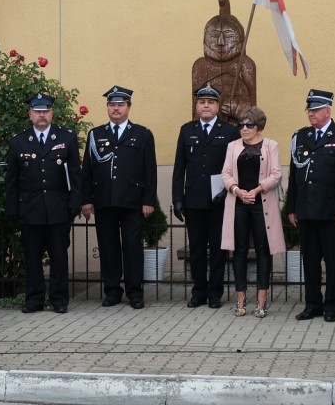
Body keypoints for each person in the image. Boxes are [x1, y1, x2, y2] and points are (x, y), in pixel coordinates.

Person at [286, 89, 335, 322]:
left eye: (316, 110)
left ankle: (332, 305)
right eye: (309, 110)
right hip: (306, 209)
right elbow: (294, 175)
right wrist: (291, 207)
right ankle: (313, 304)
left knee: (334, 260)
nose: (311, 114)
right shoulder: (300, 136)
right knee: (310, 260)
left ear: (327, 111)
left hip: (331, 210)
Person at [81, 86, 157, 309]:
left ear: (128, 107)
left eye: (120, 104)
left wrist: (149, 200)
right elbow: (87, 170)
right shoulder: (96, 134)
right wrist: (86, 200)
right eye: (112, 105)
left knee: (133, 247)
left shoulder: (142, 134)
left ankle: (135, 292)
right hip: (104, 200)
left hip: (132, 201)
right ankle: (112, 290)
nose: (116, 108)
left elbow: (149, 170)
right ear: (107, 107)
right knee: (108, 247)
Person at [5, 93, 82, 314]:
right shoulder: (18, 141)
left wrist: (74, 204)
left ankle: (59, 300)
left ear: (52, 113)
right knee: (32, 258)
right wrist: (13, 209)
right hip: (30, 209)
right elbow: (13, 180)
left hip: (58, 208)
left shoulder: (66, 138)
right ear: (30, 114)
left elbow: (75, 175)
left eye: (46, 111)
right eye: (37, 111)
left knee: (59, 256)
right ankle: (34, 300)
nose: (42, 115)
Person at [172, 82, 239, 309]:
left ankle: (215, 293)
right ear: (197, 106)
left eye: (210, 102)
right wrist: (178, 199)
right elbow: (179, 168)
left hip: (219, 200)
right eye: (202, 102)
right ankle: (198, 292)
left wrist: (227, 191)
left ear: (218, 106)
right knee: (197, 249)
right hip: (194, 200)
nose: (206, 106)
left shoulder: (230, 132)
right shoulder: (187, 130)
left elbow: (233, 167)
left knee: (219, 249)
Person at [220, 106, 285, 318]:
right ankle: (240, 299)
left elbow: (276, 175)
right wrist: (238, 191)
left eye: (249, 125)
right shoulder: (232, 146)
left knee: (262, 251)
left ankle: (262, 300)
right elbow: (226, 173)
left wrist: (257, 190)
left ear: (259, 126)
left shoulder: (270, 146)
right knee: (238, 251)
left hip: (261, 204)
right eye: (241, 125)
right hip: (239, 203)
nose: (244, 128)